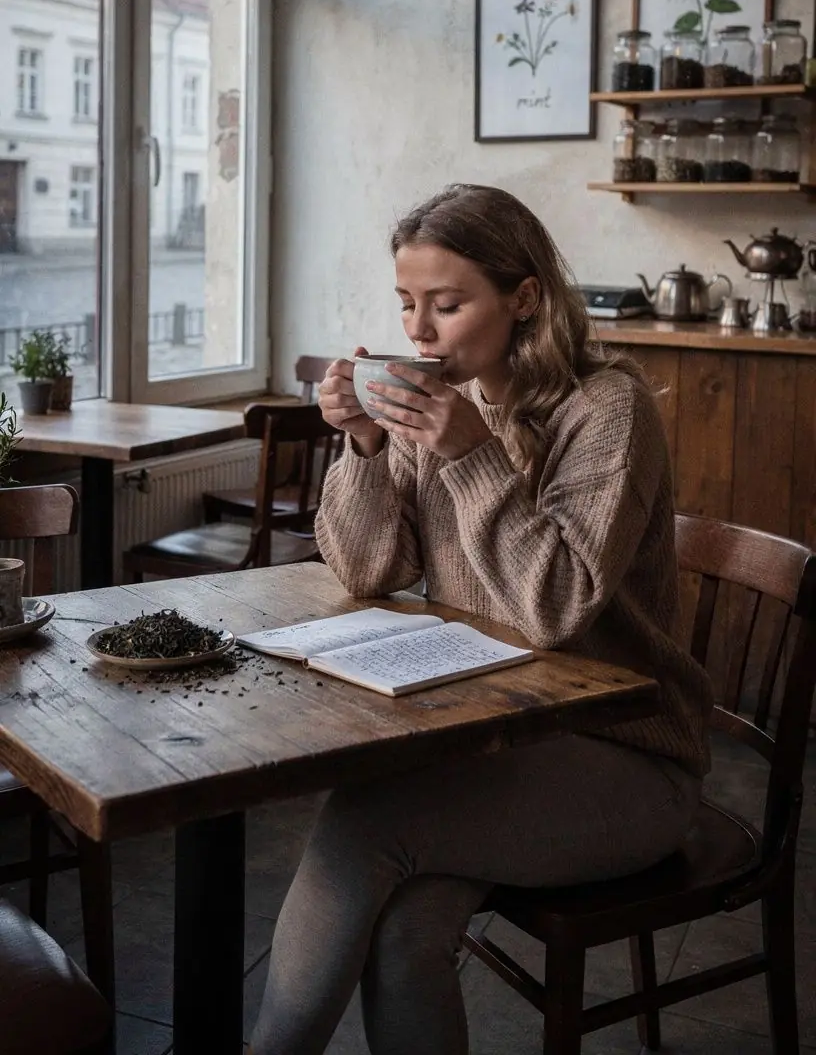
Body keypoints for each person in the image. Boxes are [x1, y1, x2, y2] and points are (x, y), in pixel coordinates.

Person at [249, 183, 713, 1055]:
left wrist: (468, 454)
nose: (419, 333)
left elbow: (553, 609)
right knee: (404, 928)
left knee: (367, 814)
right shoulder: (444, 406)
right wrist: (365, 448)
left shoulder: (606, 410)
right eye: (406, 305)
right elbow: (366, 569)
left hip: (633, 758)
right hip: (503, 736)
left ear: (524, 299)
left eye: (448, 305)